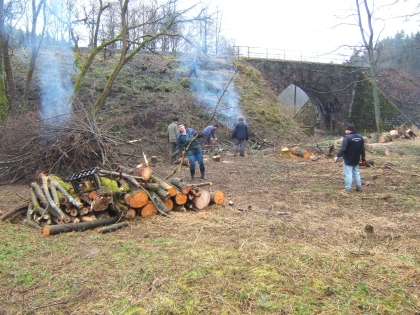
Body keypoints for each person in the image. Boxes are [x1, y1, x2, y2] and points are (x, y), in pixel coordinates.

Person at [334, 123, 366, 192]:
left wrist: (337, 156)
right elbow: (362, 149)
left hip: (348, 159)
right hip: (356, 158)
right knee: (356, 172)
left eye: (346, 129)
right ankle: (359, 186)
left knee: (348, 174)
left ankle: (348, 189)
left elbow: (342, 149)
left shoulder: (347, 138)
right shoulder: (360, 137)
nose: (345, 131)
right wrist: (363, 157)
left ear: (349, 130)